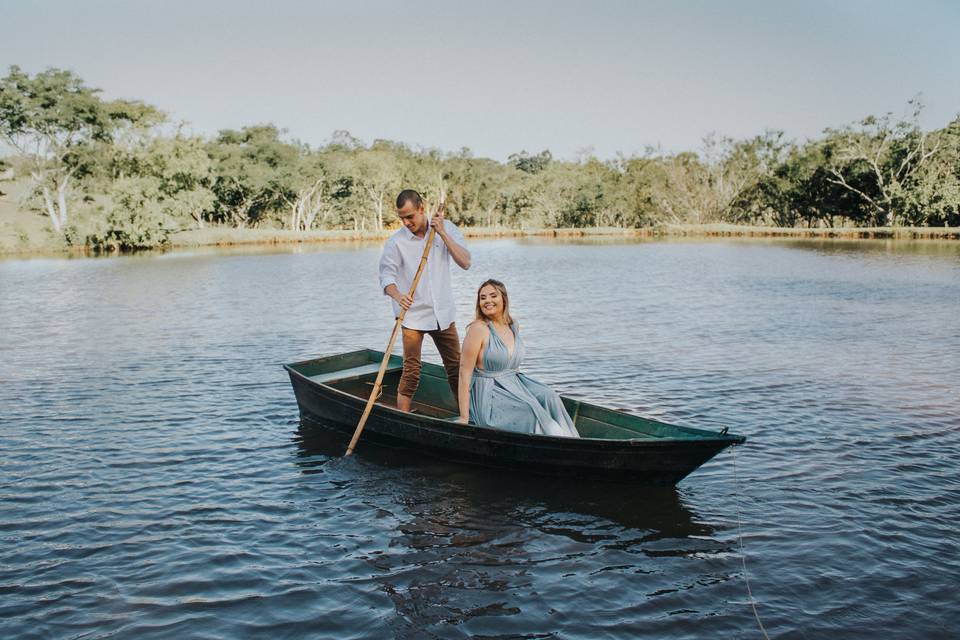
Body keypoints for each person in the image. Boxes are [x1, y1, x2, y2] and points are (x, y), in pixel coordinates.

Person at [379, 189, 471, 412]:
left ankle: (466, 416)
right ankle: (403, 417)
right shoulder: (396, 242)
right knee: (411, 371)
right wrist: (398, 296)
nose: (406, 222)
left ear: (422, 209)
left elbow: (466, 262)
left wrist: (442, 234)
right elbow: (386, 276)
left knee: (455, 368)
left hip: (443, 313)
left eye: (410, 216)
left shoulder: (445, 228)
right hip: (413, 315)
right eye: (402, 217)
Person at [457, 279, 580, 438]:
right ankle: (553, 439)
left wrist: (522, 391)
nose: (487, 301)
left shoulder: (513, 324)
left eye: (493, 296)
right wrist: (464, 417)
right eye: (482, 297)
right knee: (528, 410)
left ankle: (569, 439)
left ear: (504, 299)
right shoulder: (478, 329)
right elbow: (464, 373)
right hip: (488, 391)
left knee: (549, 395)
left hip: (514, 381)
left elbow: (510, 362)